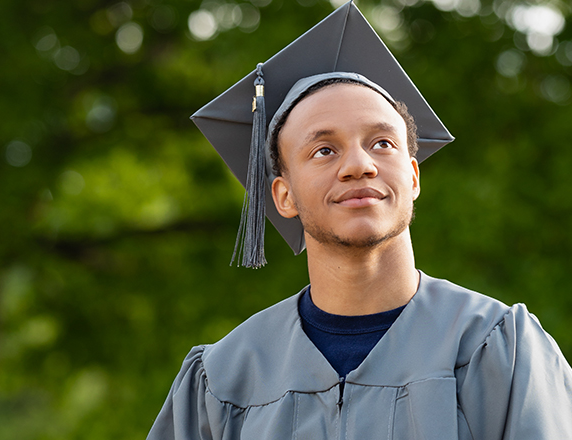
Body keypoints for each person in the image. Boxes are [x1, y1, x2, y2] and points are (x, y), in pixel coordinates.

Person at [148, 3, 572, 439]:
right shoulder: (223, 380)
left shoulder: (497, 349)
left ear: (412, 176)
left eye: (382, 143)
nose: (359, 165)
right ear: (284, 195)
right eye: (324, 150)